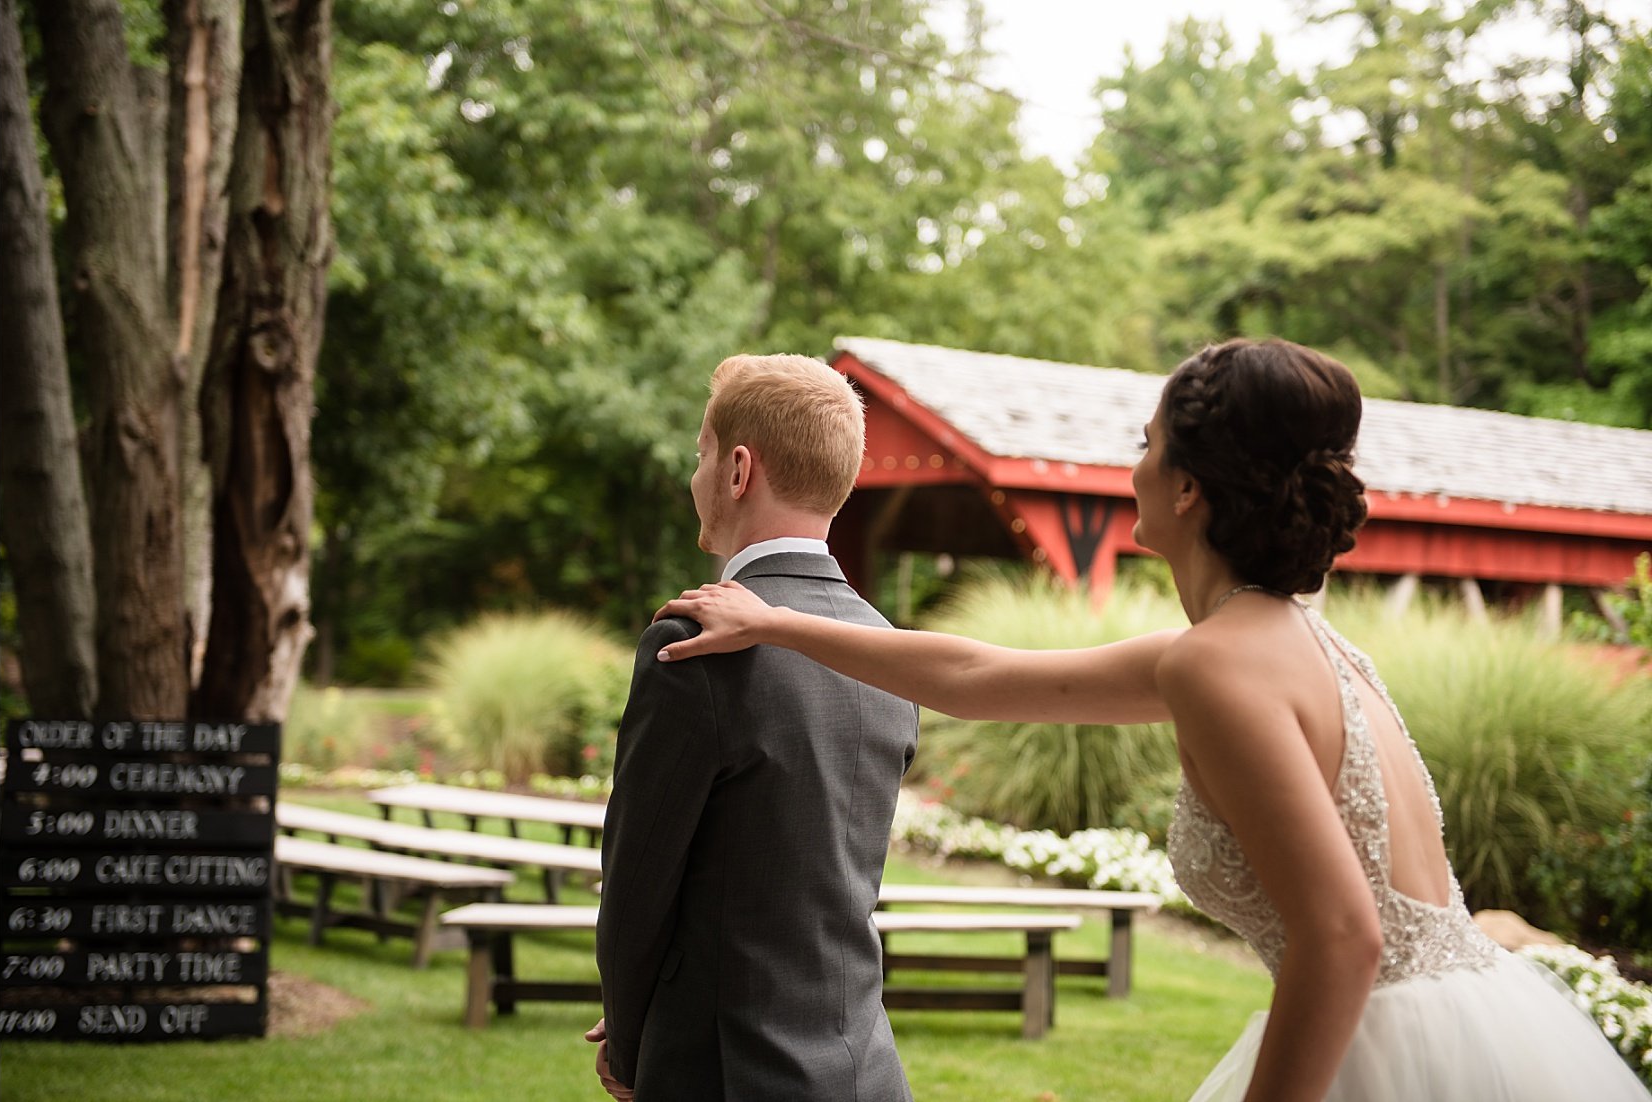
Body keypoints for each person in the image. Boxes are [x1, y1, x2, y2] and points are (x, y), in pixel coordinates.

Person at [655, 339, 1652, 1101]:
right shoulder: (1287, 640)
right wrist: (778, 620)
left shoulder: (1221, 663)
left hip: (1380, 1051)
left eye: (1146, 443)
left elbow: (1343, 935)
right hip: (1477, 1028)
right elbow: (971, 673)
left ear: (1186, 485)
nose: (1131, 465)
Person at [587, 354, 918, 1102]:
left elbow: (636, 884)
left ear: (739, 469)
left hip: (725, 1069)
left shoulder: (694, 643)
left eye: (701, 452)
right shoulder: (888, 645)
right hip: (865, 1065)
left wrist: (632, 1039)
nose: (693, 475)